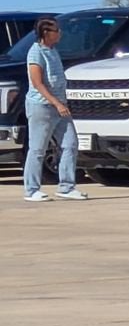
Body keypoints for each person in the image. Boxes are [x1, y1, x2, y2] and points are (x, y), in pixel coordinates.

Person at [23, 16, 88, 202]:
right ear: (46, 33)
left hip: (61, 106)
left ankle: (67, 187)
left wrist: (62, 103)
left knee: (70, 143)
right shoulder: (36, 53)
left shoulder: (53, 50)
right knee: (38, 148)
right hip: (41, 106)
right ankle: (31, 189)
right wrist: (56, 103)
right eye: (56, 30)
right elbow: (37, 83)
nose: (60, 33)